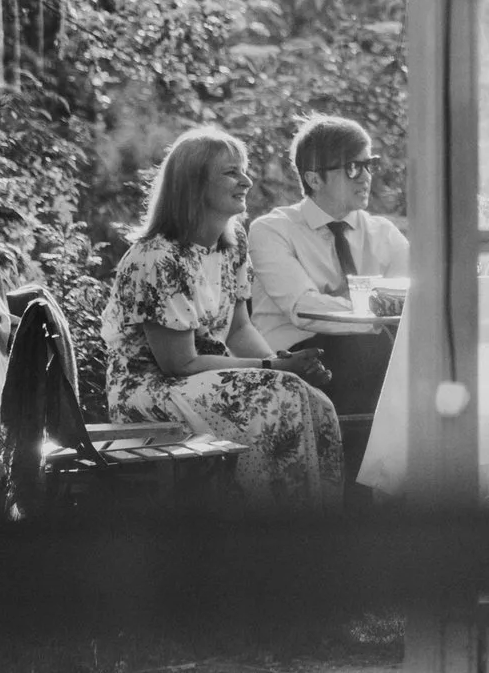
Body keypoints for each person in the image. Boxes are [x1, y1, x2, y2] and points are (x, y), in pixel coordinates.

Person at [102, 126, 343, 508]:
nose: (246, 180)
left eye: (243, 170)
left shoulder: (232, 245)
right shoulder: (158, 258)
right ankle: (264, 527)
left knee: (316, 403)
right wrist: (272, 369)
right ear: (194, 185)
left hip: (202, 376)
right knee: (275, 399)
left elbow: (239, 327)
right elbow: (179, 362)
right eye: (232, 172)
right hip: (150, 389)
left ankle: (319, 527)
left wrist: (283, 367)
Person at [245, 115, 411, 350]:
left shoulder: (384, 233)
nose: (365, 177)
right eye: (352, 168)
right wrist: (377, 313)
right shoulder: (271, 230)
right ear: (314, 179)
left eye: (368, 165)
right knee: (378, 347)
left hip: (371, 352)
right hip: (296, 360)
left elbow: (411, 297)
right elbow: (303, 309)